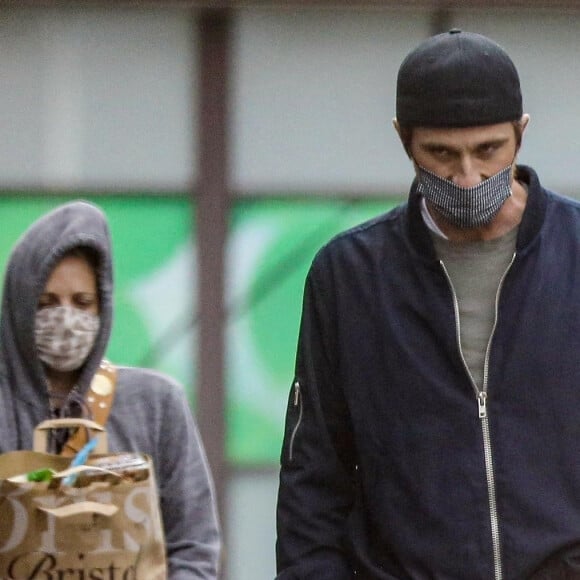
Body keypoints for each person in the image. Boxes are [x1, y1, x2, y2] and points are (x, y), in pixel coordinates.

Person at [276, 29, 580, 579]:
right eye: (440, 154)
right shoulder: (349, 278)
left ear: (522, 133)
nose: (467, 177)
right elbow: (313, 480)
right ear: (403, 140)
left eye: (489, 150)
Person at [0, 200, 221, 579]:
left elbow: (193, 546)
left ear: (103, 308)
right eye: (47, 303)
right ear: (19, 307)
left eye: (82, 302)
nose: (66, 318)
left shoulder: (156, 404)